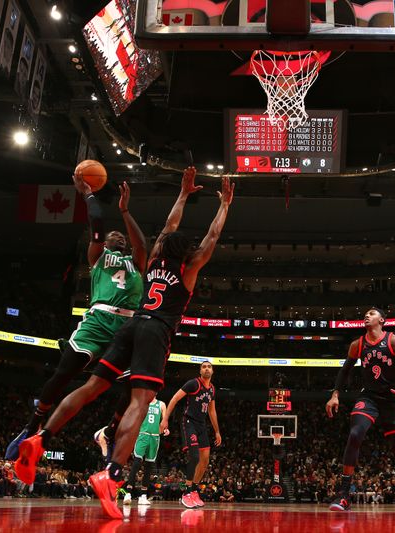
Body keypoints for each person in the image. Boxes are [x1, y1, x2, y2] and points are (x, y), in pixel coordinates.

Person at [16, 170, 234, 519]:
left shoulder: (157, 255)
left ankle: (40, 438)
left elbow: (170, 223)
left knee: (90, 387)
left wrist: (182, 195)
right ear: (188, 253)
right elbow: (213, 234)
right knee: (141, 399)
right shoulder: (190, 266)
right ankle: (113, 474)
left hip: (132, 325)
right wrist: (224, 204)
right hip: (156, 331)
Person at [6, 178, 146, 460]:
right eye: (112, 236)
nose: (117, 236)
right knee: (64, 373)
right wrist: (89, 196)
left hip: (128, 325)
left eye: (121, 236)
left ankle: (109, 431)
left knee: (136, 385)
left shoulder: (137, 263)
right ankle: (33, 426)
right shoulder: (98, 256)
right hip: (98, 320)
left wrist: (125, 211)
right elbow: (96, 224)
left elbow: (141, 243)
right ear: (104, 243)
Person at [325, 308, 395, 512]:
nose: (367, 316)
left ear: (382, 320)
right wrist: (335, 395)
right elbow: (345, 370)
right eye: (365, 314)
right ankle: (343, 495)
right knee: (355, 433)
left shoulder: (394, 341)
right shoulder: (357, 345)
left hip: (393, 399)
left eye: (372, 313)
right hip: (369, 397)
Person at [161, 361, 221, 508]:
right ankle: (186, 493)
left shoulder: (212, 389)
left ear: (212, 371)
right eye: (204, 367)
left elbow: (212, 411)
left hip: (201, 425)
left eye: (209, 367)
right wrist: (165, 419)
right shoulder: (193, 384)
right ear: (200, 371)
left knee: (205, 460)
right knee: (194, 457)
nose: (207, 369)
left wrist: (217, 431)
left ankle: (194, 490)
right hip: (189, 422)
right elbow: (175, 398)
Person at [123, 396, 169, 506]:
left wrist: (166, 429)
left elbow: (164, 421)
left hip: (155, 437)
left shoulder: (161, 404)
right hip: (142, 435)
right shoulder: (142, 402)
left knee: (149, 466)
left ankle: (143, 496)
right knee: (136, 463)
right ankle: (128, 493)